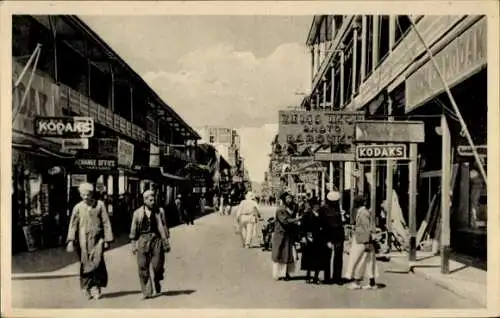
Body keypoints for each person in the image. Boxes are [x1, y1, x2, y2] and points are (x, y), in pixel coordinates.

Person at [66, 182, 114, 300]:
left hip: (98, 240)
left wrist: (108, 239)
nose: (85, 197)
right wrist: (71, 240)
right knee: (85, 264)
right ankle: (86, 288)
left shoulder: (100, 205)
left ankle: (96, 287)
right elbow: (73, 225)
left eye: (87, 194)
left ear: (92, 193)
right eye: (83, 195)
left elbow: (106, 222)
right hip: (83, 241)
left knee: (97, 263)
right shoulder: (77, 207)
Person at [130, 190, 171, 299]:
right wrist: (133, 244)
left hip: (156, 240)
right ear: (145, 200)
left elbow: (164, 226)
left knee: (157, 265)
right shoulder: (137, 213)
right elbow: (133, 230)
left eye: (154, 199)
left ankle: (157, 280)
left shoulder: (160, 211)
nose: (153, 202)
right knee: (142, 265)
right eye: (150, 200)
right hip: (143, 240)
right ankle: (147, 291)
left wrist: (166, 242)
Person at [344, 195, 380, 290]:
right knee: (369, 261)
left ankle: (357, 282)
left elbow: (365, 228)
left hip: (362, 241)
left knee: (358, 261)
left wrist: (366, 242)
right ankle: (372, 283)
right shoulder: (364, 212)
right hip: (365, 240)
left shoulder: (363, 213)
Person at [271, 191, 302, 281]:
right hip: (281, 234)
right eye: (287, 198)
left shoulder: (291, 207)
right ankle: (280, 274)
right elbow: (285, 221)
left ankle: (288, 273)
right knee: (280, 254)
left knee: (289, 254)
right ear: (284, 199)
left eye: (291, 198)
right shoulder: (281, 209)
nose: (289, 200)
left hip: (289, 234)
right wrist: (296, 220)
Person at [300, 197, 328, 284]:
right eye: (315, 205)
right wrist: (304, 236)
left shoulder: (322, 215)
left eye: (318, 205)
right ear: (312, 206)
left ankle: (316, 276)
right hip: (310, 238)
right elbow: (302, 227)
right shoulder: (307, 215)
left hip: (319, 239)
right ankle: (308, 275)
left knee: (319, 258)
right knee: (309, 258)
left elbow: (325, 226)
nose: (317, 207)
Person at [319, 191, 345, 285]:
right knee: (332, 257)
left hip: (332, 235)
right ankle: (334, 278)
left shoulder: (325, 209)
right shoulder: (326, 209)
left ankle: (333, 278)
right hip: (331, 235)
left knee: (333, 257)